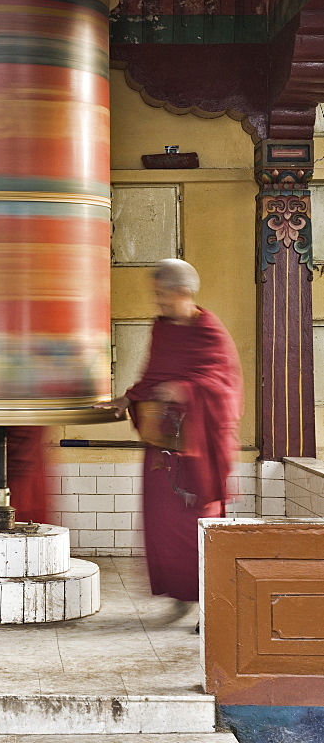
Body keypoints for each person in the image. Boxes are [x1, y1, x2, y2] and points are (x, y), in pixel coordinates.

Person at [96, 259, 242, 625]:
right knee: (162, 523)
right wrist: (127, 398)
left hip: (199, 452)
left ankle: (210, 601)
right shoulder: (162, 329)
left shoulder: (208, 330)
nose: (157, 303)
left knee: (200, 525)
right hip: (163, 443)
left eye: (162, 296)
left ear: (183, 292)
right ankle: (181, 593)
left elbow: (227, 387)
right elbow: (152, 373)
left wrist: (186, 389)